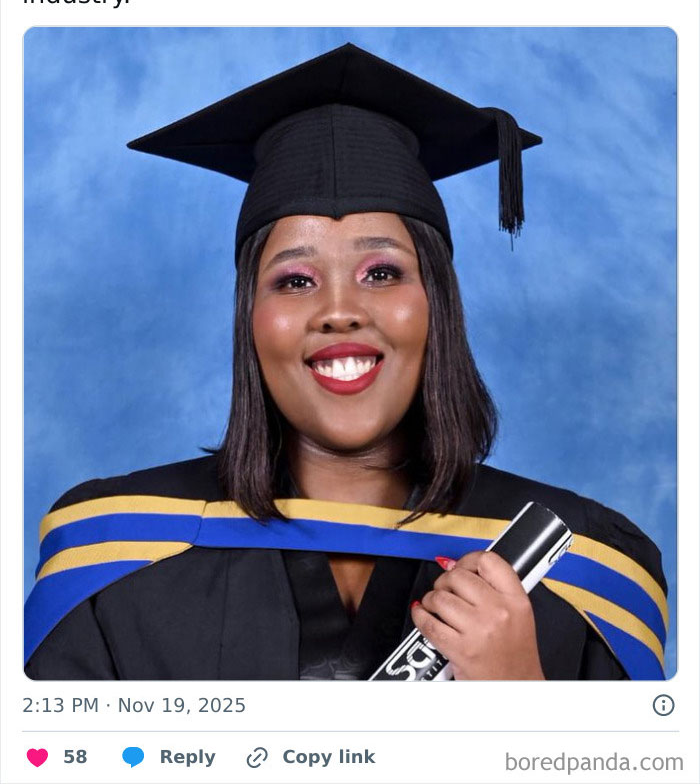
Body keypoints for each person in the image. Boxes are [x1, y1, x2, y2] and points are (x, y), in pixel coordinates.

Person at [24, 44, 667, 680]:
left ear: (436, 304)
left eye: (382, 271)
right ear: (250, 316)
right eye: (295, 281)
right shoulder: (111, 556)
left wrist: (522, 705)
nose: (339, 310)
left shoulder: (586, 564)